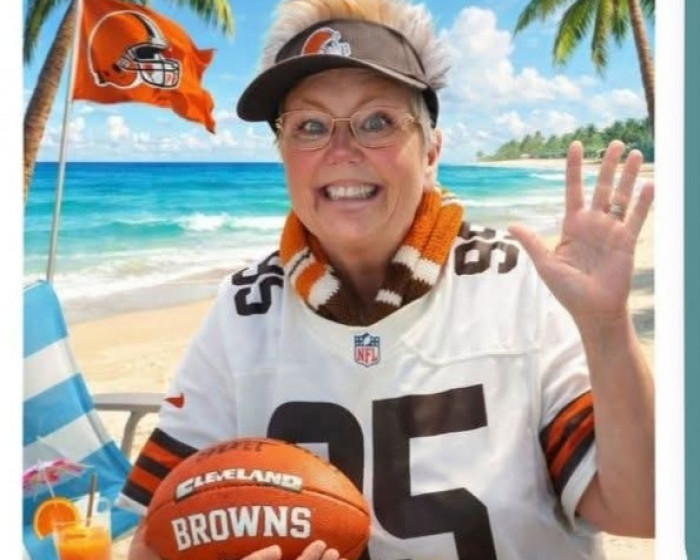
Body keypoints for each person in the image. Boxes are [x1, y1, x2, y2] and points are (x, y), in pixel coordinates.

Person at [121, 0, 655, 558]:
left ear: (431, 152)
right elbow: (152, 540)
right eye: (309, 126)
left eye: (377, 122)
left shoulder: (515, 283)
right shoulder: (243, 313)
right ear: (282, 152)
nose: (341, 151)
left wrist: (605, 328)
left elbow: (641, 507)